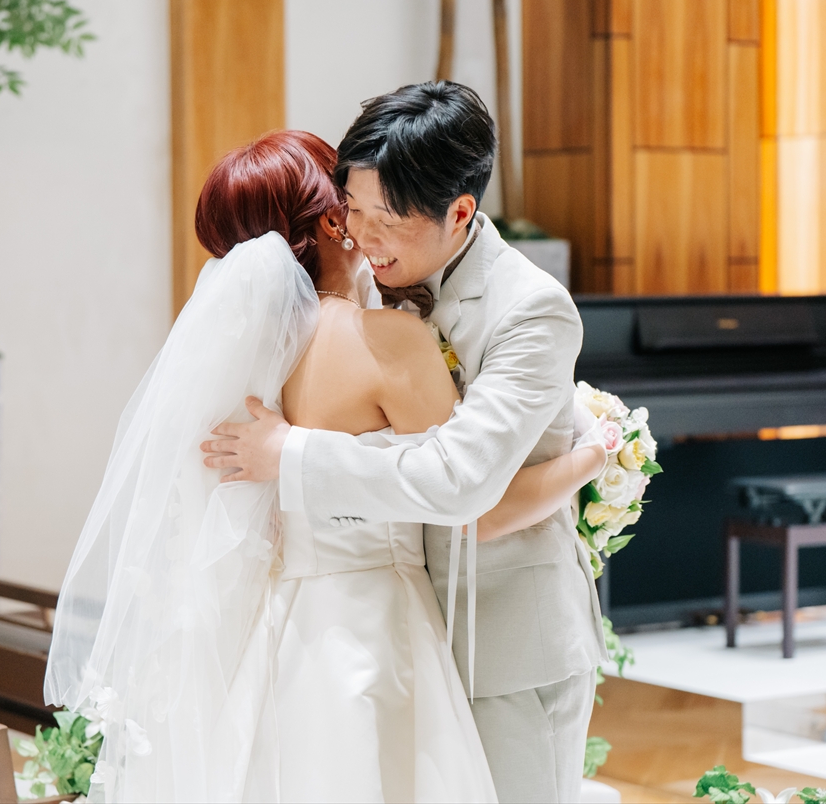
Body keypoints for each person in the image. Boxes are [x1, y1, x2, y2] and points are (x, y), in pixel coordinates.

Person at [46, 129, 605, 803]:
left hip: (283, 634)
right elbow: (471, 501)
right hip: (380, 625)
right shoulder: (389, 339)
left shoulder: (240, 363)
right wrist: (594, 456)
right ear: (334, 222)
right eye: (350, 205)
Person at [201, 84, 610, 804]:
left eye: (385, 220)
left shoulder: (532, 310)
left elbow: (461, 482)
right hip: (390, 636)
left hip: (504, 647)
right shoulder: (368, 294)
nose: (362, 237)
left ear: (460, 212)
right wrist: (590, 459)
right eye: (351, 210)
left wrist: (290, 453)